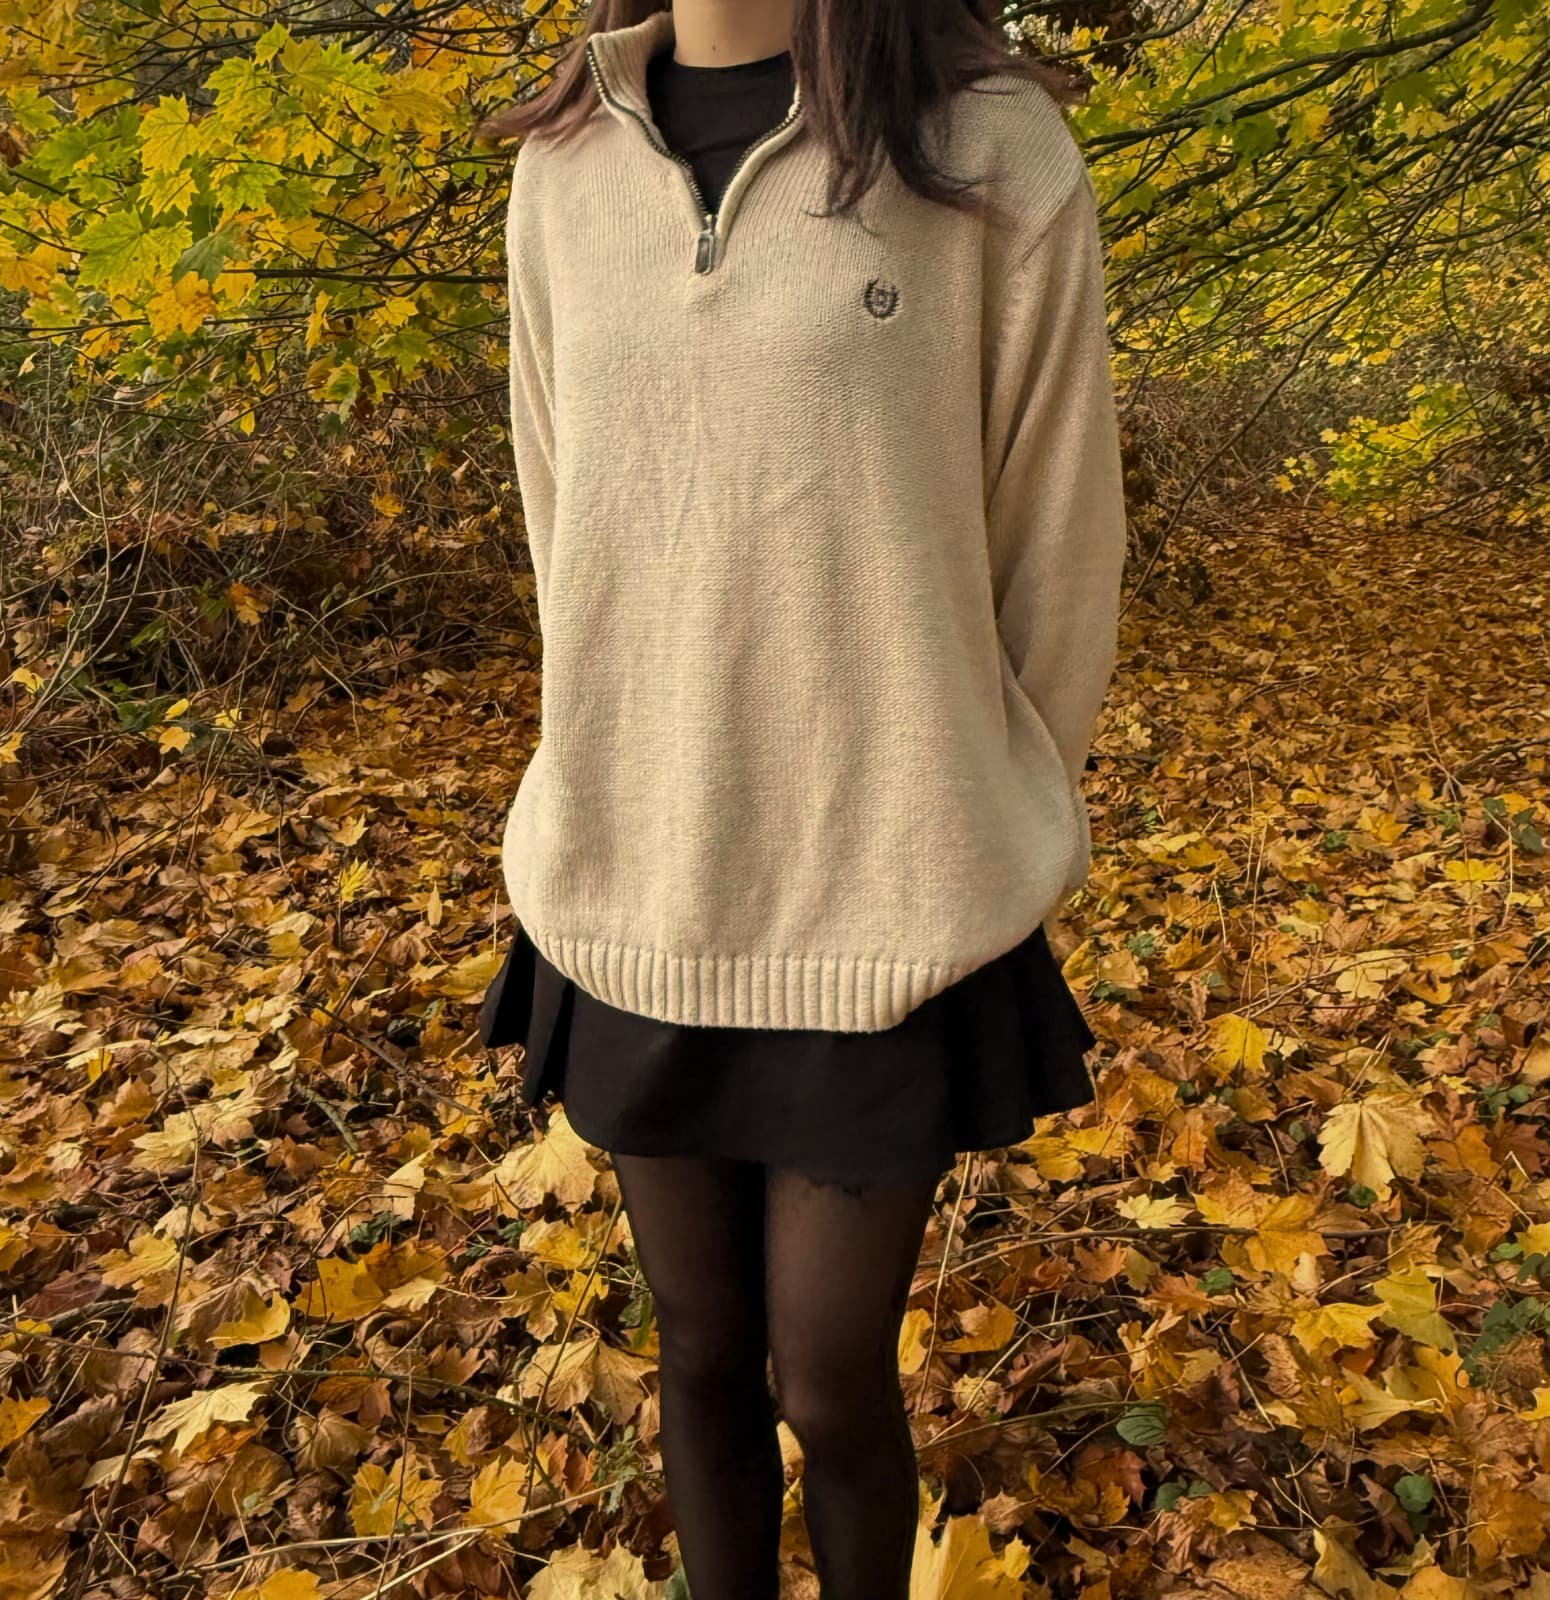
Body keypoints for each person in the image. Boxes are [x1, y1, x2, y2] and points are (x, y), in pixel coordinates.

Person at [474, 0, 1128, 1593]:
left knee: (831, 1381)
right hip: (642, 868)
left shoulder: (985, 147)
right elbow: (558, 513)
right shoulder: (562, 162)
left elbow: (1055, 530)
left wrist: (979, 793)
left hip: (883, 880)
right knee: (696, 1351)